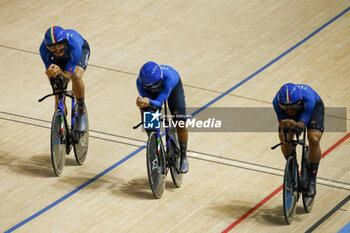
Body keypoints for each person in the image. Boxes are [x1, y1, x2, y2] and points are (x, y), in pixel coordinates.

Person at [136, 61, 189, 173]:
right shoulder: (140, 83)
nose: (153, 88)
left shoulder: (170, 78)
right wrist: (142, 104)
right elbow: (148, 104)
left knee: (180, 121)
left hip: (172, 90)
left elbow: (160, 102)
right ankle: (154, 144)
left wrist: (148, 100)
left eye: (155, 85)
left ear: (160, 78)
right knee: (147, 113)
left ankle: (184, 156)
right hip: (153, 94)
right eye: (149, 87)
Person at [273, 83, 324, 197]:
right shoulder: (276, 102)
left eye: (292, 107)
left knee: (313, 138)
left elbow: (301, 126)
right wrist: (285, 124)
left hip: (312, 109)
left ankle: (311, 178)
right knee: (285, 138)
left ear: (299, 102)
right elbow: (281, 124)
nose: (290, 111)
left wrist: (296, 124)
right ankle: (292, 168)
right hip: (295, 113)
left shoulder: (308, 99)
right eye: (286, 108)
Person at [39, 26, 90, 132]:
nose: (57, 51)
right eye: (53, 48)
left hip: (78, 53)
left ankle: (81, 109)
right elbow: (50, 71)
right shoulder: (43, 49)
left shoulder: (74, 44)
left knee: (76, 75)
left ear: (65, 42)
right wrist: (52, 75)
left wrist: (61, 72)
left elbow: (68, 75)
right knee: (58, 91)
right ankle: (61, 121)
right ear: (47, 47)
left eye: (60, 46)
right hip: (60, 59)